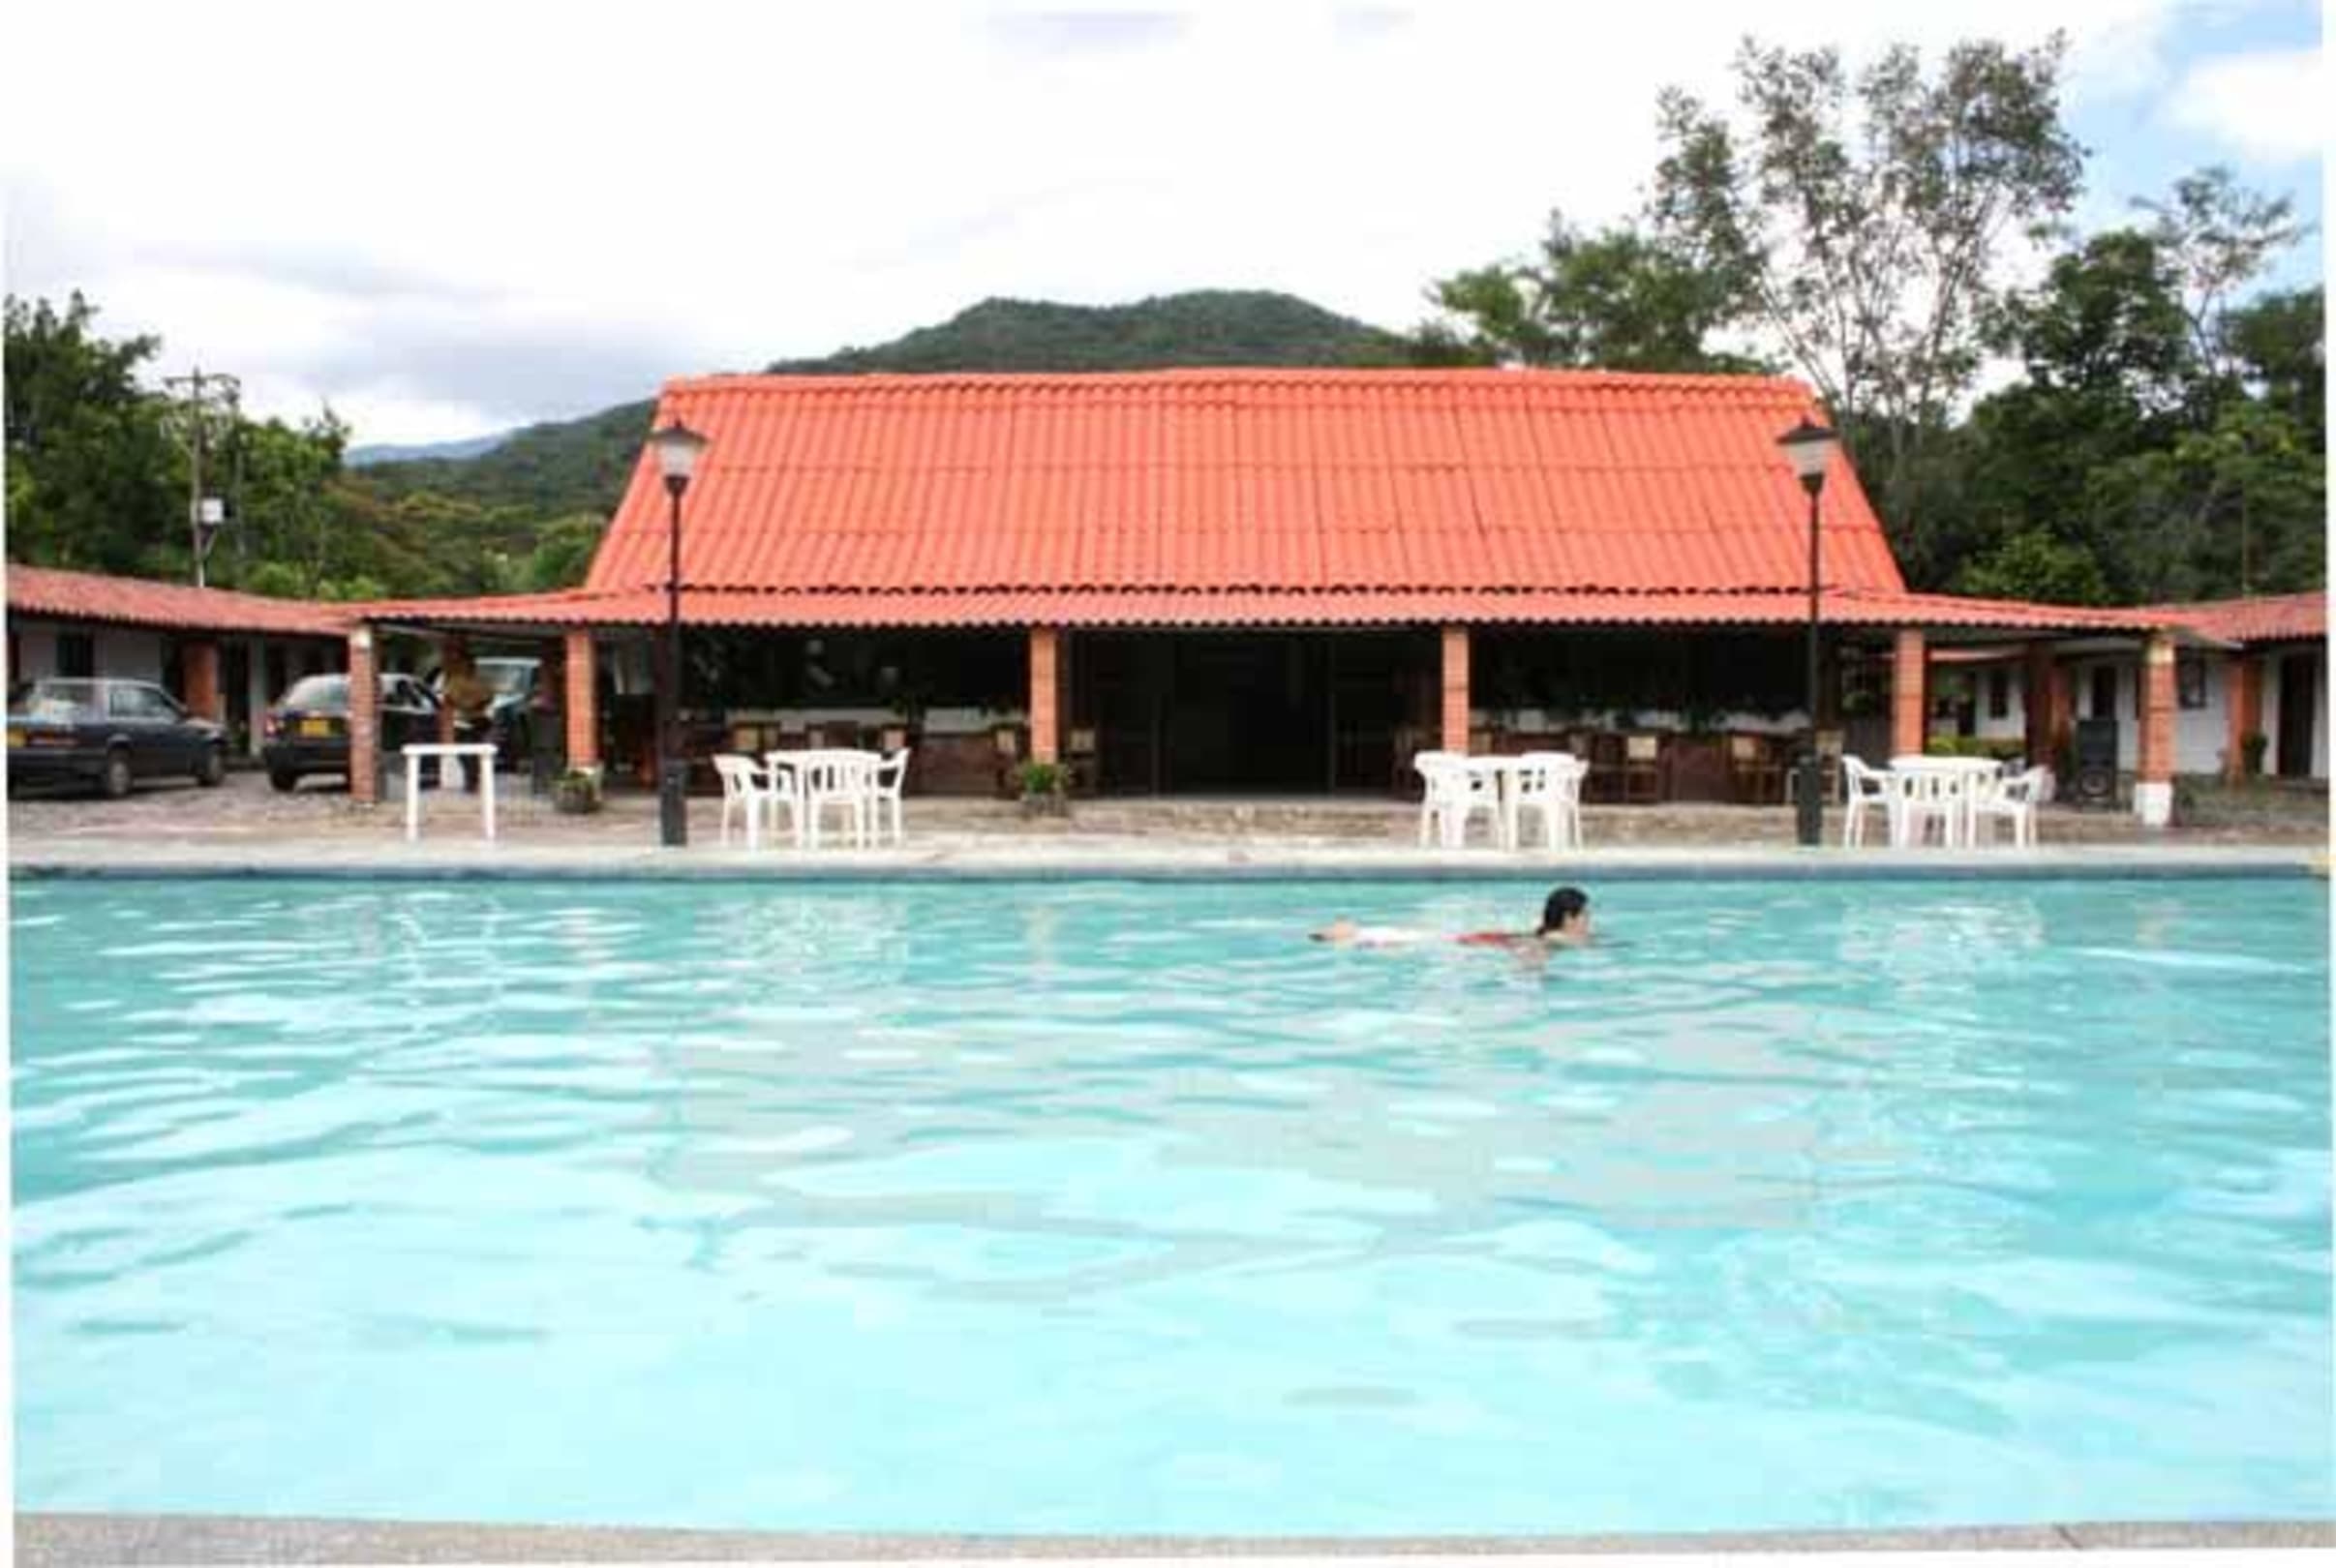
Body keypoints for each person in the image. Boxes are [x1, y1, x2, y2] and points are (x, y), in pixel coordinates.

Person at [1457, 886, 1593, 950]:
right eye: (1585, 914)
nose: (1588, 918)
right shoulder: (1557, 940)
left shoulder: (1548, 935)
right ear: (1568, 917)